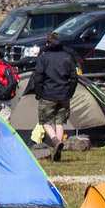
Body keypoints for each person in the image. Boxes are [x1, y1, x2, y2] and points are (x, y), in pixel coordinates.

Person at [28, 31, 81, 160]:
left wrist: (39, 93)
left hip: (48, 94)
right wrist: (70, 92)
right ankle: (58, 151)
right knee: (60, 122)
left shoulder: (44, 57)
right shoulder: (67, 57)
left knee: (45, 121)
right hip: (64, 95)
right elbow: (74, 78)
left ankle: (54, 141)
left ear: (47, 44)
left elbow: (38, 77)